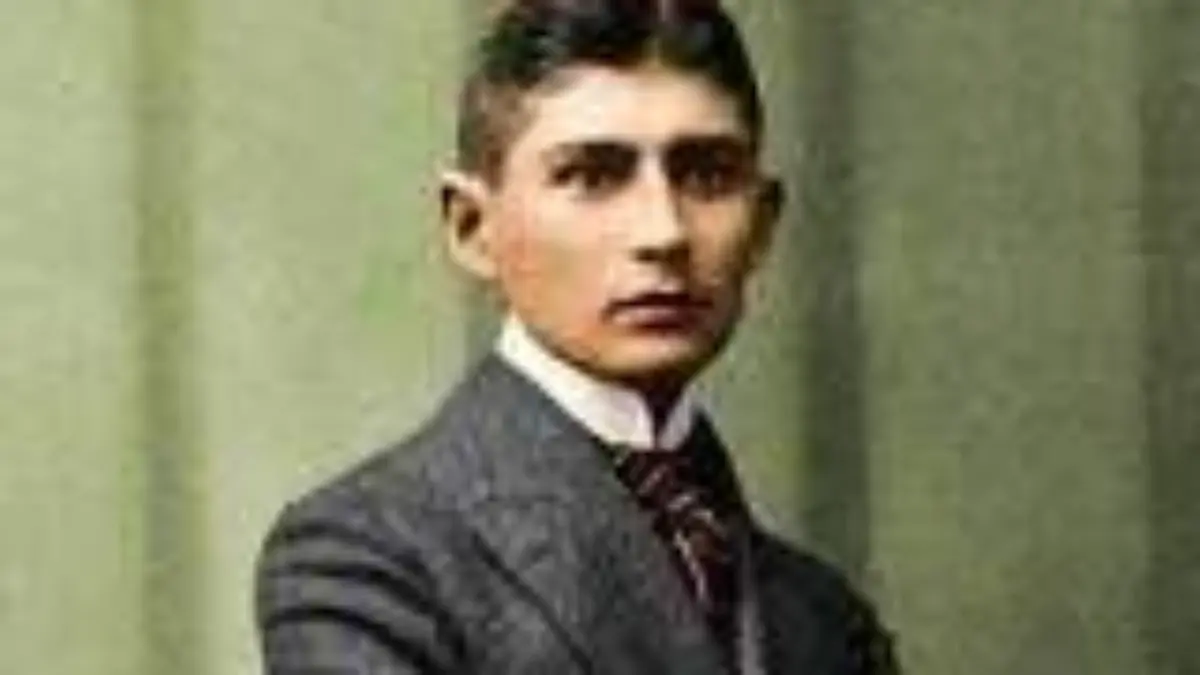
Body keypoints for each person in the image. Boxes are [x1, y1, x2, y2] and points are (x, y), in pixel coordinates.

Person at [255, 0, 899, 672]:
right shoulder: (370, 557)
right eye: (592, 176)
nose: (663, 232)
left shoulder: (825, 617)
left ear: (762, 226)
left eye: (707, 175)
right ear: (473, 227)